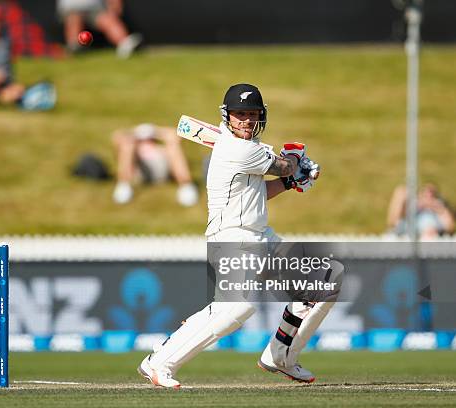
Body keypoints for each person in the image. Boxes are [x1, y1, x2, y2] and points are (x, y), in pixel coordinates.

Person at [137, 84, 335, 388]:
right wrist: (296, 160)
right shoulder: (238, 149)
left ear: (261, 117)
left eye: (252, 114)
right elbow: (282, 165)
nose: (245, 121)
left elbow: (258, 192)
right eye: (240, 114)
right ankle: (159, 361)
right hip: (231, 238)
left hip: (261, 236)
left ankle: (281, 355)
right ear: (227, 117)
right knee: (235, 309)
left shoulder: (248, 150)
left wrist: (291, 183)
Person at [112, 123, 199, 206]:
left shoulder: (160, 148)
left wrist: (155, 131)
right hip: (140, 173)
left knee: (173, 146)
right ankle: (123, 186)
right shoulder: (133, 147)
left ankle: (186, 186)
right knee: (127, 147)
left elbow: (175, 136)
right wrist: (135, 133)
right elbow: (116, 137)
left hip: (162, 171)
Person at [57, 0, 142, 58]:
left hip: (94, 6)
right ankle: (74, 48)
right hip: (72, 6)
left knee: (108, 20)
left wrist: (114, 4)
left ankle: (125, 43)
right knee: (74, 21)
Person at [387, 184, 455, 240]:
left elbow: (450, 227)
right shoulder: (413, 208)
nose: (428, 196)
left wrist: (437, 207)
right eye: (425, 193)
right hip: (409, 236)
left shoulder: (439, 210)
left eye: (432, 194)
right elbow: (393, 221)